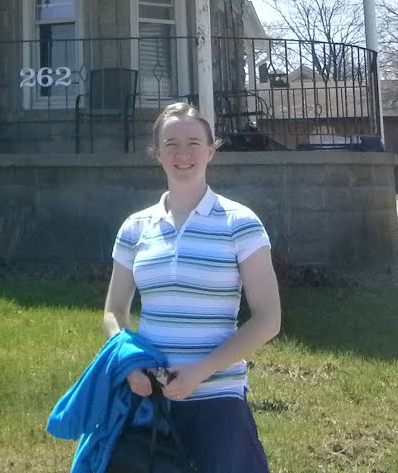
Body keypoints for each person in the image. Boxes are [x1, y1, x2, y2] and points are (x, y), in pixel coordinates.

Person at [102, 101, 281, 472]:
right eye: (170, 144)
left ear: (211, 150)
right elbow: (114, 311)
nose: (182, 153)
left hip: (219, 400)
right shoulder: (135, 227)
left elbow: (268, 319)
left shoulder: (240, 223)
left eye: (194, 142)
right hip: (151, 399)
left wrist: (201, 371)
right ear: (156, 154)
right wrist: (127, 365)